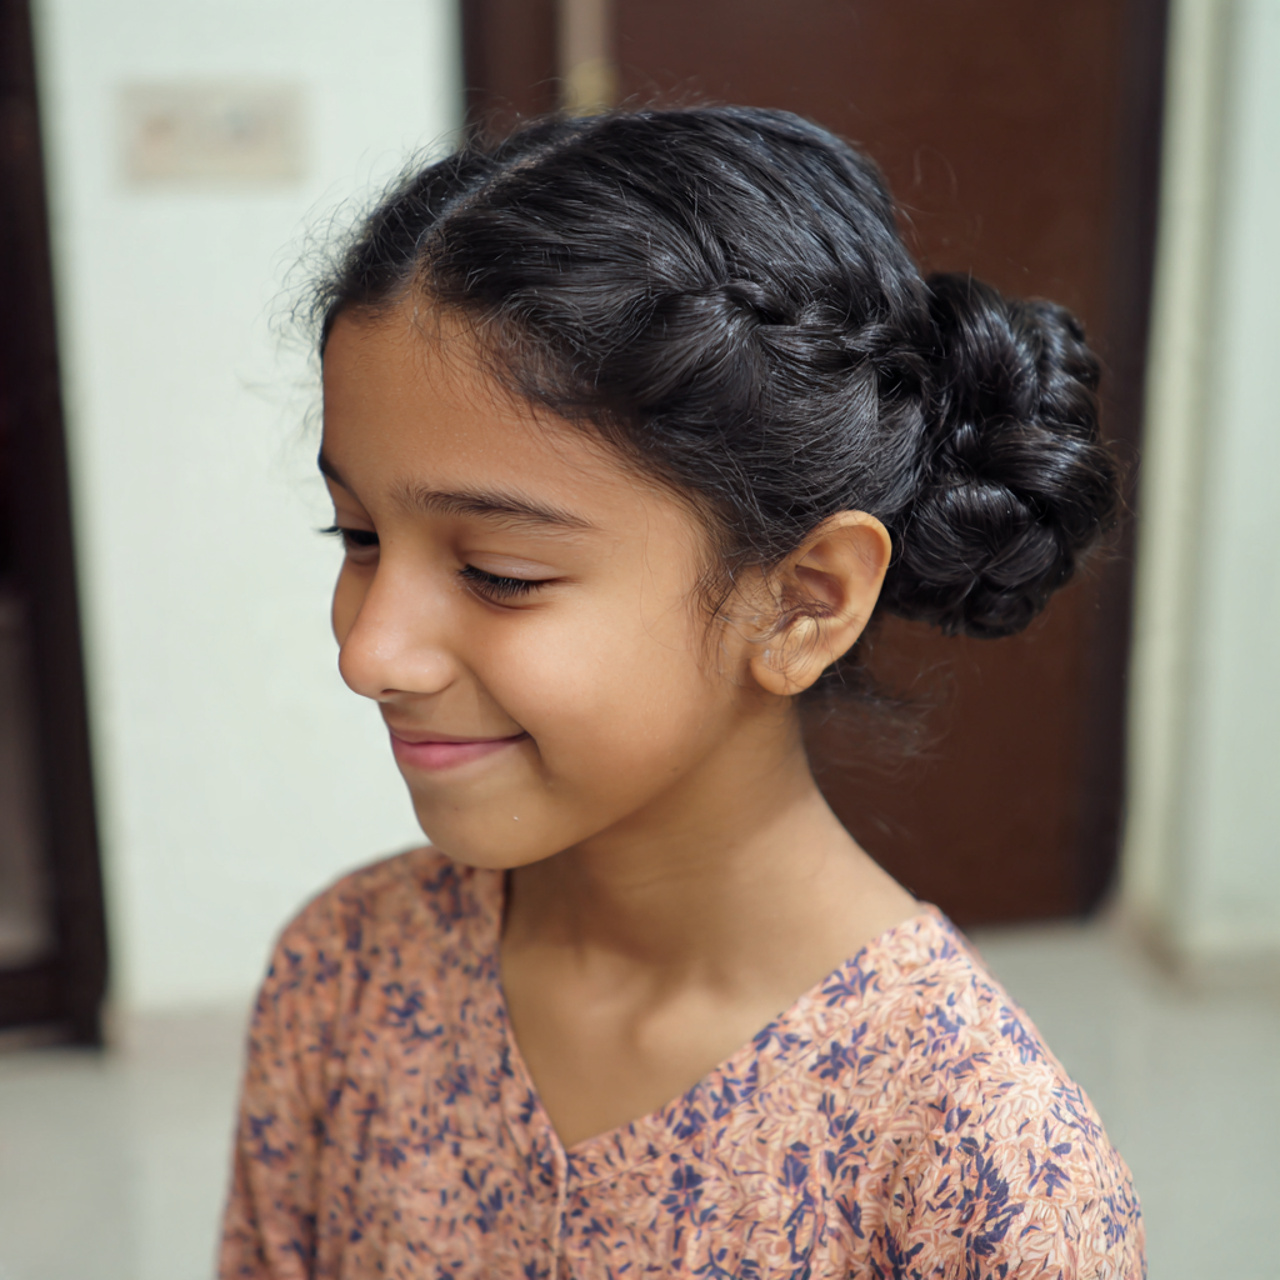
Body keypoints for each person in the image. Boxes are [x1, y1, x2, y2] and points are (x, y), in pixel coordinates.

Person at [219, 105, 1144, 1278]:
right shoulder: (343, 974)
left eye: (499, 573)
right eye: (353, 534)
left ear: (803, 599)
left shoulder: (980, 1167)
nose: (369, 651)